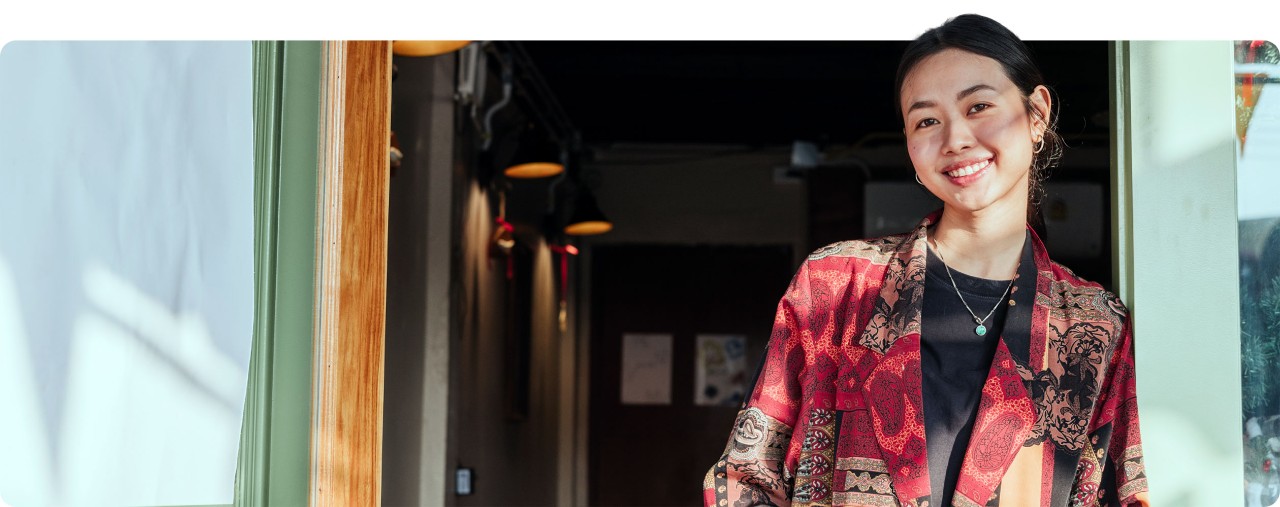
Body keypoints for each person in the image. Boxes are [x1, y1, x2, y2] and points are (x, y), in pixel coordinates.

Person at [704, 14, 1149, 507]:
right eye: (927, 120)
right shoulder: (837, 286)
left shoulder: (1093, 326)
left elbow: (1115, 492)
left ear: (1037, 113)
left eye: (979, 106)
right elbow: (747, 477)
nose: (956, 138)